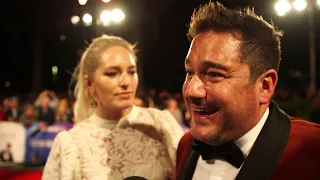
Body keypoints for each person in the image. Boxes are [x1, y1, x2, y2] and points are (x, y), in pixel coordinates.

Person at [176, 2, 320, 180]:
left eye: (214, 74)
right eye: (189, 72)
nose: (191, 91)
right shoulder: (186, 144)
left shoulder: (313, 148)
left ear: (265, 86)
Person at [42, 35, 184, 180]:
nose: (125, 82)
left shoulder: (160, 123)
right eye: (112, 73)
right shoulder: (71, 144)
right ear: (90, 83)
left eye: (131, 72)